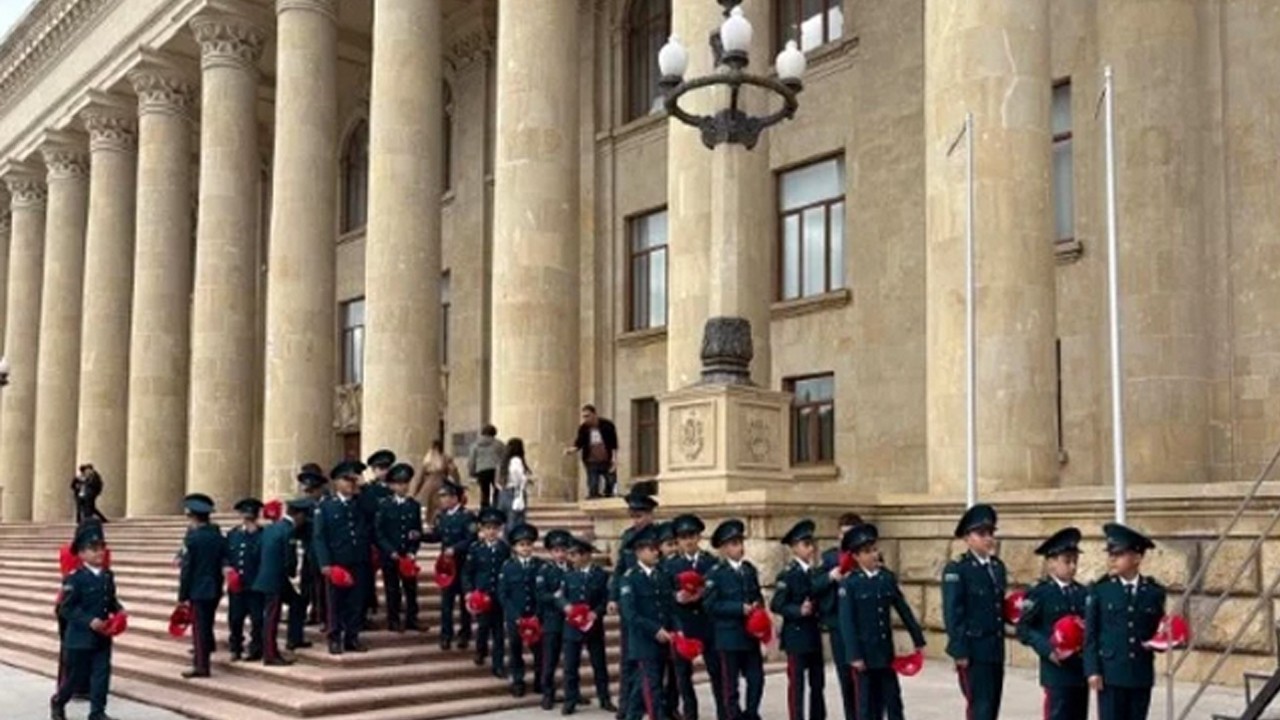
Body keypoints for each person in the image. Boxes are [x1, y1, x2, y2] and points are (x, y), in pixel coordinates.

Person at [839, 522, 926, 720]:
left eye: (875, 549)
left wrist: (917, 638)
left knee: (893, 701)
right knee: (867, 705)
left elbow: (902, 609)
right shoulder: (850, 583)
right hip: (864, 655)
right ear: (856, 556)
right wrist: (854, 655)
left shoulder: (886, 578)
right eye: (867, 551)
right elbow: (847, 623)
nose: (873, 555)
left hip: (885, 653)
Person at [1085, 523, 1167, 720]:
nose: (1112, 559)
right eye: (1111, 554)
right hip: (1111, 674)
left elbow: (1158, 631)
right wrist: (1092, 670)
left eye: (1120, 554)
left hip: (1140, 673)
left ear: (1137, 558)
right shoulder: (1101, 590)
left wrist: (1164, 640)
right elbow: (1091, 635)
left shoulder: (1153, 592)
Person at [50, 522, 121, 720]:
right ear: (81, 554)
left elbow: (111, 600)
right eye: (93, 549)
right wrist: (89, 621)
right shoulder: (74, 579)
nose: (100, 552)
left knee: (101, 674)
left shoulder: (107, 576)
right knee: (75, 678)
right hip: (80, 637)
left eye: (101, 547)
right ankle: (59, 700)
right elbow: (66, 608)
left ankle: (97, 713)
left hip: (102, 635)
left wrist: (119, 612)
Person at [942, 503, 1007, 720]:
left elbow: (998, 606)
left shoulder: (997, 567)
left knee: (992, 706)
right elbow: (953, 612)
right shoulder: (958, 569)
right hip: (974, 650)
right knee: (979, 708)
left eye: (990, 533)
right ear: (967, 538)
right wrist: (959, 650)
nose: (988, 538)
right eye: (981, 533)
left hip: (994, 648)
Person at [1016, 527, 1088, 720]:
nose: (1072, 566)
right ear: (1051, 563)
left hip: (1079, 669)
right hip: (1056, 670)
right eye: (1067, 561)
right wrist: (1048, 649)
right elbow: (1024, 629)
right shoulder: (1040, 593)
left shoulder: (1083, 593)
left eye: (1075, 561)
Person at [772, 519, 834, 720]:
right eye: (805, 544)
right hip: (796, 636)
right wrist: (798, 610)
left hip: (813, 633)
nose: (810, 549)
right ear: (794, 548)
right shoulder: (788, 574)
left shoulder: (816, 572)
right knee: (797, 685)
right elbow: (777, 604)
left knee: (818, 683)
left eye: (812, 544)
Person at [705, 519, 766, 720]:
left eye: (740, 542)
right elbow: (711, 605)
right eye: (733, 543)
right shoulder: (716, 574)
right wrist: (738, 608)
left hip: (750, 636)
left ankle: (751, 713)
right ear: (723, 549)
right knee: (730, 684)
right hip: (729, 636)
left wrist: (758, 609)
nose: (739, 547)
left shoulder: (748, 570)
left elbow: (757, 595)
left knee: (756, 679)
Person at [665, 513, 721, 720]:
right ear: (678, 540)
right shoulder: (670, 565)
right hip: (683, 626)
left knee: (717, 673)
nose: (688, 540)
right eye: (683, 536)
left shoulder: (711, 562)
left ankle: (724, 713)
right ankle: (691, 714)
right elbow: (663, 594)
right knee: (683, 676)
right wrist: (676, 597)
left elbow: (717, 589)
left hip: (708, 625)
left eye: (692, 535)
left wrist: (701, 594)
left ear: (699, 537)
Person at [313, 461, 371, 655]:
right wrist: (325, 563)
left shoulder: (360, 502)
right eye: (347, 480)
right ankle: (334, 636)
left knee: (356, 601)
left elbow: (374, 509)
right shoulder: (327, 506)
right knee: (335, 601)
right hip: (337, 561)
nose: (351, 483)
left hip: (358, 559)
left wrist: (364, 487)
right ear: (337, 482)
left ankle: (352, 637)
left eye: (353, 480)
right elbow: (320, 537)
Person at [609, 491, 657, 719]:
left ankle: (656, 706)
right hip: (631, 606)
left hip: (652, 608)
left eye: (640, 515)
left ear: (650, 514)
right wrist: (612, 597)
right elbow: (619, 570)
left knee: (654, 664)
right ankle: (625, 706)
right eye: (633, 515)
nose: (636, 520)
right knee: (628, 659)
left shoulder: (657, 537)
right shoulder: (628, 537)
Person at [619, 524, 673, 720]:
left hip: (662, 640)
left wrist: (676, 630)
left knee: (642, 686)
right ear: (639, 552)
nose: (656, 552)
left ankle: (631, 716)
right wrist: (655, 629)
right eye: (651, 549)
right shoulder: (630, 578)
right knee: (652, 687)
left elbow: (668, 607)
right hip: (643, 641)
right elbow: (630, 614)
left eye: (656, 547)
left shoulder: (661, 575)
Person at [558, 535, 616, 716]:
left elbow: (606, 598)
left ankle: (604, 697)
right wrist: (565, 606)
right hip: (572, 626)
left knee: (599, 664)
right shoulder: (568, 575)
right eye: (570, 554)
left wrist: (596, 613)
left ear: (586, 555)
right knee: (570, 666)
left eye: (575, 554)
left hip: (593, 626)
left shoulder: (600, 575)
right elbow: (560, 596)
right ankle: (570, 699)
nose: (571, 558)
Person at [256, 497, 315, 665]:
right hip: (275, 580)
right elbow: (289, 559)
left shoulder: (271, 528)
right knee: (272, 617)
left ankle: (294, 638)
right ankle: (270, 654)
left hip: (269, 576)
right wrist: (292, 572)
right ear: (299, 515)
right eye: (304, 516)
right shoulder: (288, 530)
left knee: (298, 602)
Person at [424, 479, 476, 650]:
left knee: (464, 602)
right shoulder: (442, 517)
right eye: (441, 497)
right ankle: (446, 635)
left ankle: (465, 634)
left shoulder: (467, 517)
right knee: (446, 603)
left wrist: (456, 548)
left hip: (463, 565)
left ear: (455, 498)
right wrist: (421, 536)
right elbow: (438, 535)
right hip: (447, 567)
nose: (442, 500)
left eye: (446, 496)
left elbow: (471, 539)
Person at [178, 493, 226, 679]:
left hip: (198, 589)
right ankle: (205, 654)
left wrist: (182, 596)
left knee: (199, 628)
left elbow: (187, 570)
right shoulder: (218, 537)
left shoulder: (193, 539)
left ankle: (201, 665)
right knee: (207, 624)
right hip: (214, 587)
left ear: (193, 517)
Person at [820, 512, 861, 719]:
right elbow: (816, 586)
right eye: (844, 534)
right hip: (838, 625)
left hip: (863, 626)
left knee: (865, 679)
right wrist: (831, 577)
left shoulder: (866, 556)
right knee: (845, 678)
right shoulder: (829, 558)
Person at [377, 462, 425, 632]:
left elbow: (416, 531)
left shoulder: (413, 505)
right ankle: (394, 619)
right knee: (392, 589)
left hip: (407, 555)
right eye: (398, 483)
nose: (402, 486)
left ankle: (412, 618)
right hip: (391, 555)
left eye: (405, 483)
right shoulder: (384, 505)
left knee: (411, 588)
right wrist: (390, 551)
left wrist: (412, 550)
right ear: (391, 485)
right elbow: (379, 532)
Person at [500, 522, 544, 698]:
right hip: (516, 617)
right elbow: (503, 594)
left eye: (528, 544)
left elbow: (542, 592)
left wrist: (537, 614)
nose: (526, 548)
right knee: (515, 649)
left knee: (539, 651)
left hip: (535, 615)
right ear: (514, 547)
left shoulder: (540, 566)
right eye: (521, 545)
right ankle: (518, 681)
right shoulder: (508, 567)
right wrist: (514, 615)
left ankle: (540, 681)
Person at [464, 507, 509, 676]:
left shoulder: (504, 549)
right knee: (483, 626)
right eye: (488, 528)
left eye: (495, 528)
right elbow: (468, 572)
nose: (491, 532)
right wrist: (469, 591)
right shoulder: (475, 548)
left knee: (498, 632)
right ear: (482, 530)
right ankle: (480, 650)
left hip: (498, 595)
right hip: (481, 595)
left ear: (500, 530)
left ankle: (498, 665)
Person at [536, 529, 573, 710]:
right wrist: (557, 599)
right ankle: (547, 693)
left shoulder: (574, 568)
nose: (561, 554)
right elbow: (541, 595)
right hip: (552, 621)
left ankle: (572, 693)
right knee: (550, 659)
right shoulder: (545, 570)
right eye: (556, 550)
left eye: (564, 550)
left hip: (572, 622)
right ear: (551, 552)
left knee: (571, 661)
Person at [225, 498, 265, 662]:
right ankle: (235, 647)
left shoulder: (263, 534)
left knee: (257, 619)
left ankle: (256, 648)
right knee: (235, 618)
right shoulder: (233, 534)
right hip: (237, 585)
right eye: (245, 512)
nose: (247, 516)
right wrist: (227, 567)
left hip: (255, 583)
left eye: (251, 512)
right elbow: (226, 554)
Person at [361, 450, 396, 620]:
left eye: (387, 467)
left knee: (392, 579)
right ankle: (369, 605)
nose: (384, 471)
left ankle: (393, 612)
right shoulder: (368, 490)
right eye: (380, 468)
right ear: (373, 470)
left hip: (390, 540)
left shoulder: (394, 490)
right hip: (371, 539)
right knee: (367, 577)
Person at [297, 464, 328, 630]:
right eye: (307, 491)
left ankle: (324, 615)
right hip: (309, 550)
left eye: (312, 491)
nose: (309, 494)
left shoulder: (328, 502)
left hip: (324, 552)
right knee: (307, 584)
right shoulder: (305, 505)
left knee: (323, 586)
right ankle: (312, 612)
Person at [564, 404, 619, 499]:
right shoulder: (584, 428)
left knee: (611, 481)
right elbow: (579, 443)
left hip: (607, 459)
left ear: (594, 415)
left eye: (587, 416)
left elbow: (613, 444)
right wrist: (570, 450)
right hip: (591, 461)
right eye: (584, 417)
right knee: (593, 484)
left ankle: (608, 496)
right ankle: (594, 497)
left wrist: (614, 460)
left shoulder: (607, 425)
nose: (585, 419)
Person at [654, 521, 680, 716]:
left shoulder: (681, 564)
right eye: (668, 544)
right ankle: (659, 706)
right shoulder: (656, 569)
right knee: (658, 670)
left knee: (675, 671)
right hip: (659, 625)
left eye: (674, 543)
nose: (672, 548)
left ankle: (672, 705)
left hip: (677, 624)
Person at [419, 440, 461, 521]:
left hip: (427, 485)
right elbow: (453, 471)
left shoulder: (427, 459)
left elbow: (420, 477)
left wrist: (415, 491)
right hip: (441, 483)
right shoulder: (445, 458)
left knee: (427, 508)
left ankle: (429, 525)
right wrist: (457, 484)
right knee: (440, 506)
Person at [467, 424, 506, 509]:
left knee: (484, 491)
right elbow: (504, 457)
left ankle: (484, 508)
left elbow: (472, 459)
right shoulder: (499, 444)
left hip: (481, 469)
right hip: (495, 469)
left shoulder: (475, 445)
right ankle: (496, 507)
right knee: (497, 489)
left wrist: (472, 471)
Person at [498, 437, 533, 531]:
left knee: (507, 523)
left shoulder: (505, 461)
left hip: (504, 493)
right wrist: (526, 479)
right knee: (516, 522)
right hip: (515, 492)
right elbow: (518, 477)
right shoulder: (516, 460)